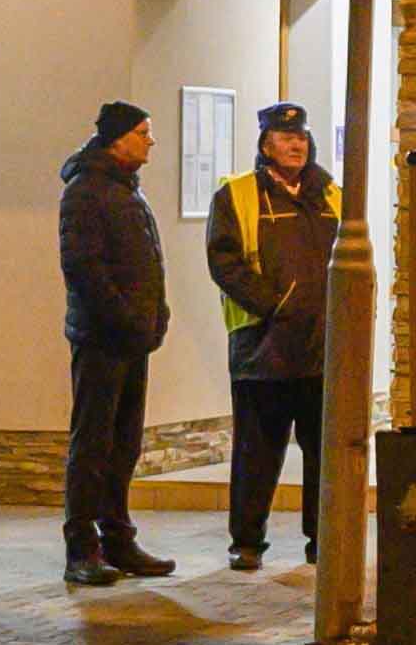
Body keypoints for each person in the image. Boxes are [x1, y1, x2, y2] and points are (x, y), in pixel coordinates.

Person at [206, 99, 342, 574]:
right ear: (265, 145)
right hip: (263, 350)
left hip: (322, 349)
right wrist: (275, 306)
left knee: (323, 454)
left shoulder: (331, 195)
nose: (296, 144)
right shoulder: (237, 196)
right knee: (256, 453)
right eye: (286, 138)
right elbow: (224, 263)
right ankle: (247, 542)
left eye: (302, 136)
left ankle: (321, 540)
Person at [52, 100, 178, 590]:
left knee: (124, 442)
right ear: (118, 137)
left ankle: (118, 537)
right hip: (102, 338)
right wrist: (125, 318)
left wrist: (155, 315)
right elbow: (84, 269)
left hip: (132, 339)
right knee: (93, 442)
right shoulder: (86, 192)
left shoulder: (126, 191)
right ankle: (80, 547)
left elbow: (147, 264)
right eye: (143, 132)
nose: (150, 141)